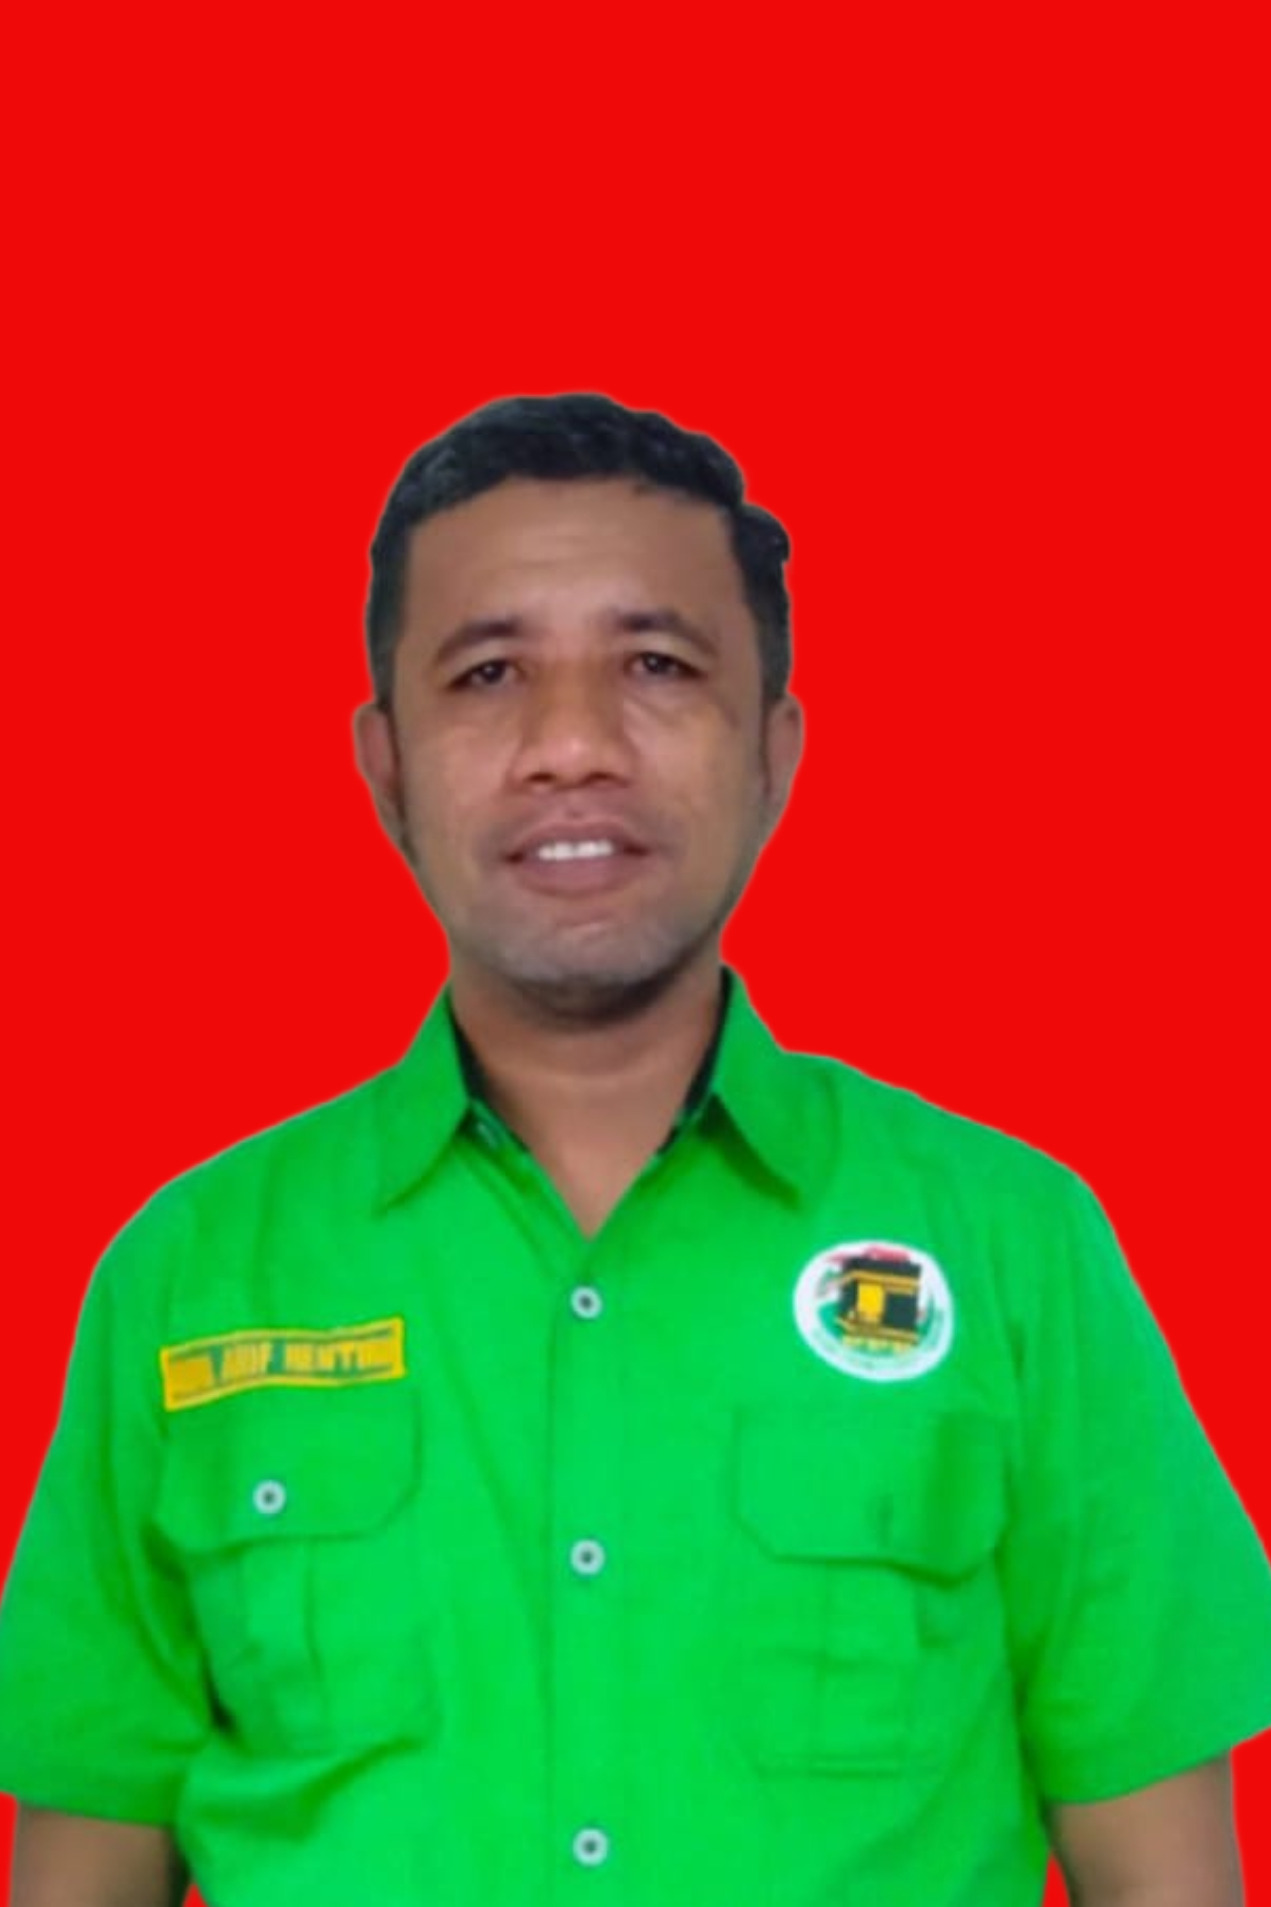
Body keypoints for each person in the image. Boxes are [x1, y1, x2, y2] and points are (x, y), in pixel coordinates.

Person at [1, 393, 1269, 1907]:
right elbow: (84, 1865)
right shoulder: (190, 1274)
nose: (573, 746)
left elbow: (1164, 1875)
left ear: (775, 751)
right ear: (386, 766)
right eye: (489, 674)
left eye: (657, 666)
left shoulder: (1012, 1246)